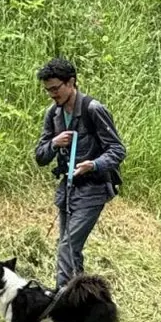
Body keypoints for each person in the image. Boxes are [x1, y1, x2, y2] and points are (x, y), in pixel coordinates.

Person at [33, 57, 125, 294]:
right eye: (48, 90)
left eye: (56, 88)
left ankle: (62, 300)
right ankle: (81, 301)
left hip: (93, 189)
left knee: (68, 246)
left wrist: (92, 165)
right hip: (67, 190)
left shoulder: (93, 109)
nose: (52, 94)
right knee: (70, 250)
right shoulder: (53, 114)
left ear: (71, 82)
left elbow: (117, 150)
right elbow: (40, 157)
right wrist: (54, 143)